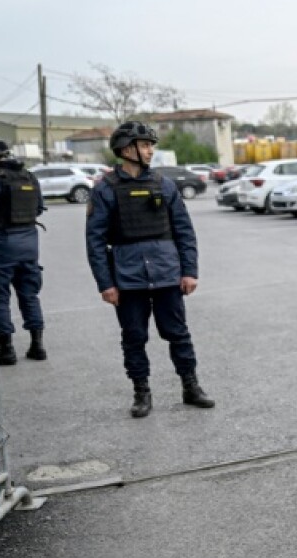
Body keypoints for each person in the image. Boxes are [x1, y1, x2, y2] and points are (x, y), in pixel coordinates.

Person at [85, 121, 214, 418]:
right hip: (127, 279)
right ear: (126, 150)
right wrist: (105, 284)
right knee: (134, 337)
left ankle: (190, 386)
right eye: (145, 145)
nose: (150, 150)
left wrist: (189, 270)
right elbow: (94, 242)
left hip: (168, 274)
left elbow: (185, 232)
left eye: (150, 145)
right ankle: (141, 392)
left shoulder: (164, 184)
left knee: (178, 333)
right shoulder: (105, 190)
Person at [0, 136, 46, 365]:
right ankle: (37, 346)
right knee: (30, 295)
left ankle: (7, 350)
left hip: (1, 245)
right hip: (29, 245)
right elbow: (39, 208)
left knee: (0, 297)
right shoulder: (30, 177)